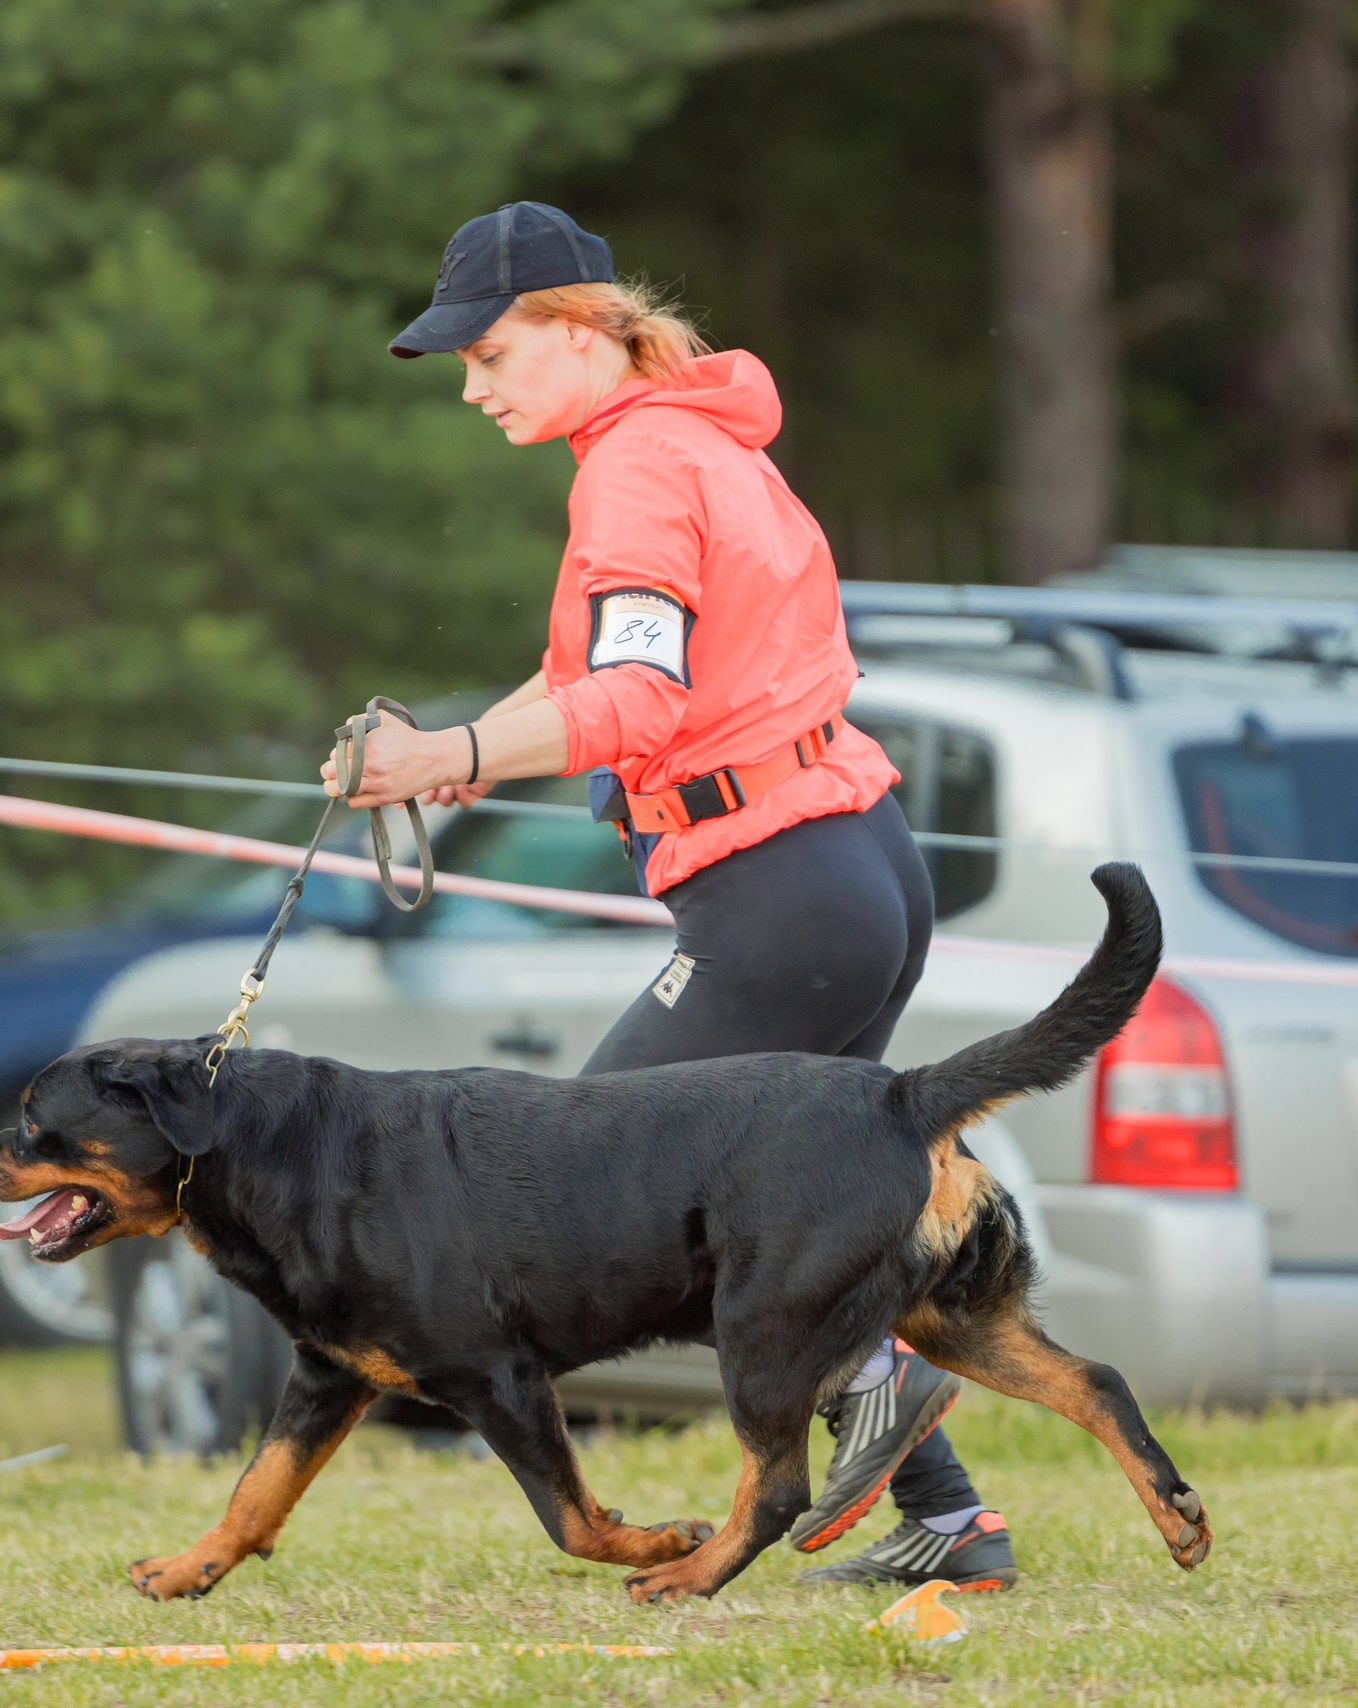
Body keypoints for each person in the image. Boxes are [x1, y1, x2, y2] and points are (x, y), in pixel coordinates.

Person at [324, 201, 1015, 1593]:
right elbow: (591, 672)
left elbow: (636, 697)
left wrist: (444, 756)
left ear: (585, 330)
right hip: (857, 868)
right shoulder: (693, 437)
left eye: (490, 354)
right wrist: (475, 754)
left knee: (590, 1192)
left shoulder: (636, 466)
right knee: (802, 1210)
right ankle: (948, 1525)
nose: (472, 387)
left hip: (784, 895)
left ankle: (875, 1399)